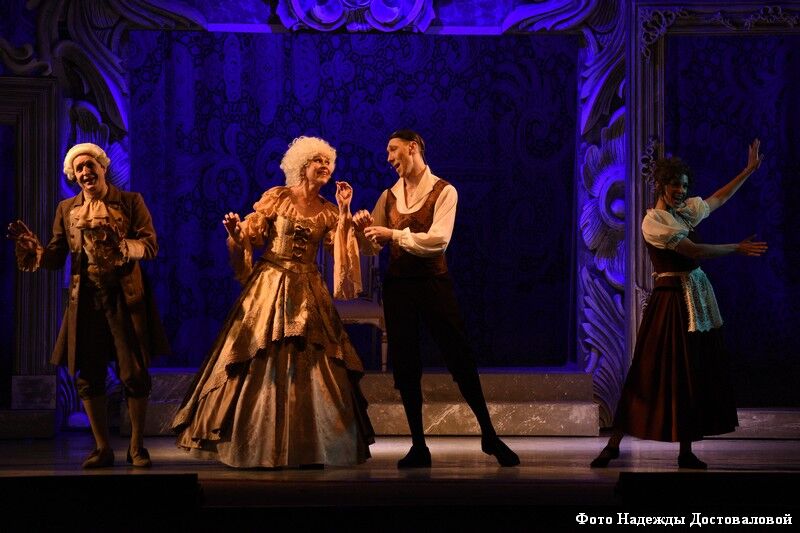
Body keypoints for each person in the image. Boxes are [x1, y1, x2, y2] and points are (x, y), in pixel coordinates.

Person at [172, 136, 374, 468]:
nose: (325, 166)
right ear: (302, 166)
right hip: (271, 282)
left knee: (315, 358)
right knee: (259, 351)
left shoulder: (327, 210)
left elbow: (341, 249)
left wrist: (346, 212)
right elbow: (253, 234)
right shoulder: (278, 197)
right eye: (318, 161)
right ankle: (255, 443)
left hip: (308, 287)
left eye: (328, 161)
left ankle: (311, 446)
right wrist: (237, 234)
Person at [591, 139, 767, 469]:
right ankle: (613, 444)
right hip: (669, 301)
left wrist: (747, 171)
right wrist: (736, 248)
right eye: (676, 185)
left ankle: (685, 451)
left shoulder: (683, 213)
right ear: (662, 185)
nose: (681, 191)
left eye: (685, 186)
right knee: (648, 372)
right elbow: (693, 251)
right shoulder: (655, 222)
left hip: (694, 301)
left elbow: (718, 199)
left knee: (690, 372)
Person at [353, 129, 519, 468]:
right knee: (406, 364)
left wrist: (393, 233)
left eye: (393, 149)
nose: (388, 157)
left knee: (459, 356)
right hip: (399, 287)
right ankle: (418, 445)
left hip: (432, 283)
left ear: (412, 147)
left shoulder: (444, 191)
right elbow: (373, 248)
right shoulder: (388, 196)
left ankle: (488, 434)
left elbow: (438, 241)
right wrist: (362, 230)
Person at [7, 142, 169, 468]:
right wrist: (36, 251)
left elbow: (150, 245)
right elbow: (56, 256)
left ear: (102, 167)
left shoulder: (130, 201)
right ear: (73, 175)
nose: (85, 172)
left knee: (134, 373)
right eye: (78, 168)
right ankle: (102, 448)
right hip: (86, 301)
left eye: (89, 165)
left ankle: (136, 447)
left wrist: (125, 247)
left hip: (124, 298)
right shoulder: (66, 209)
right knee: (88, 374)